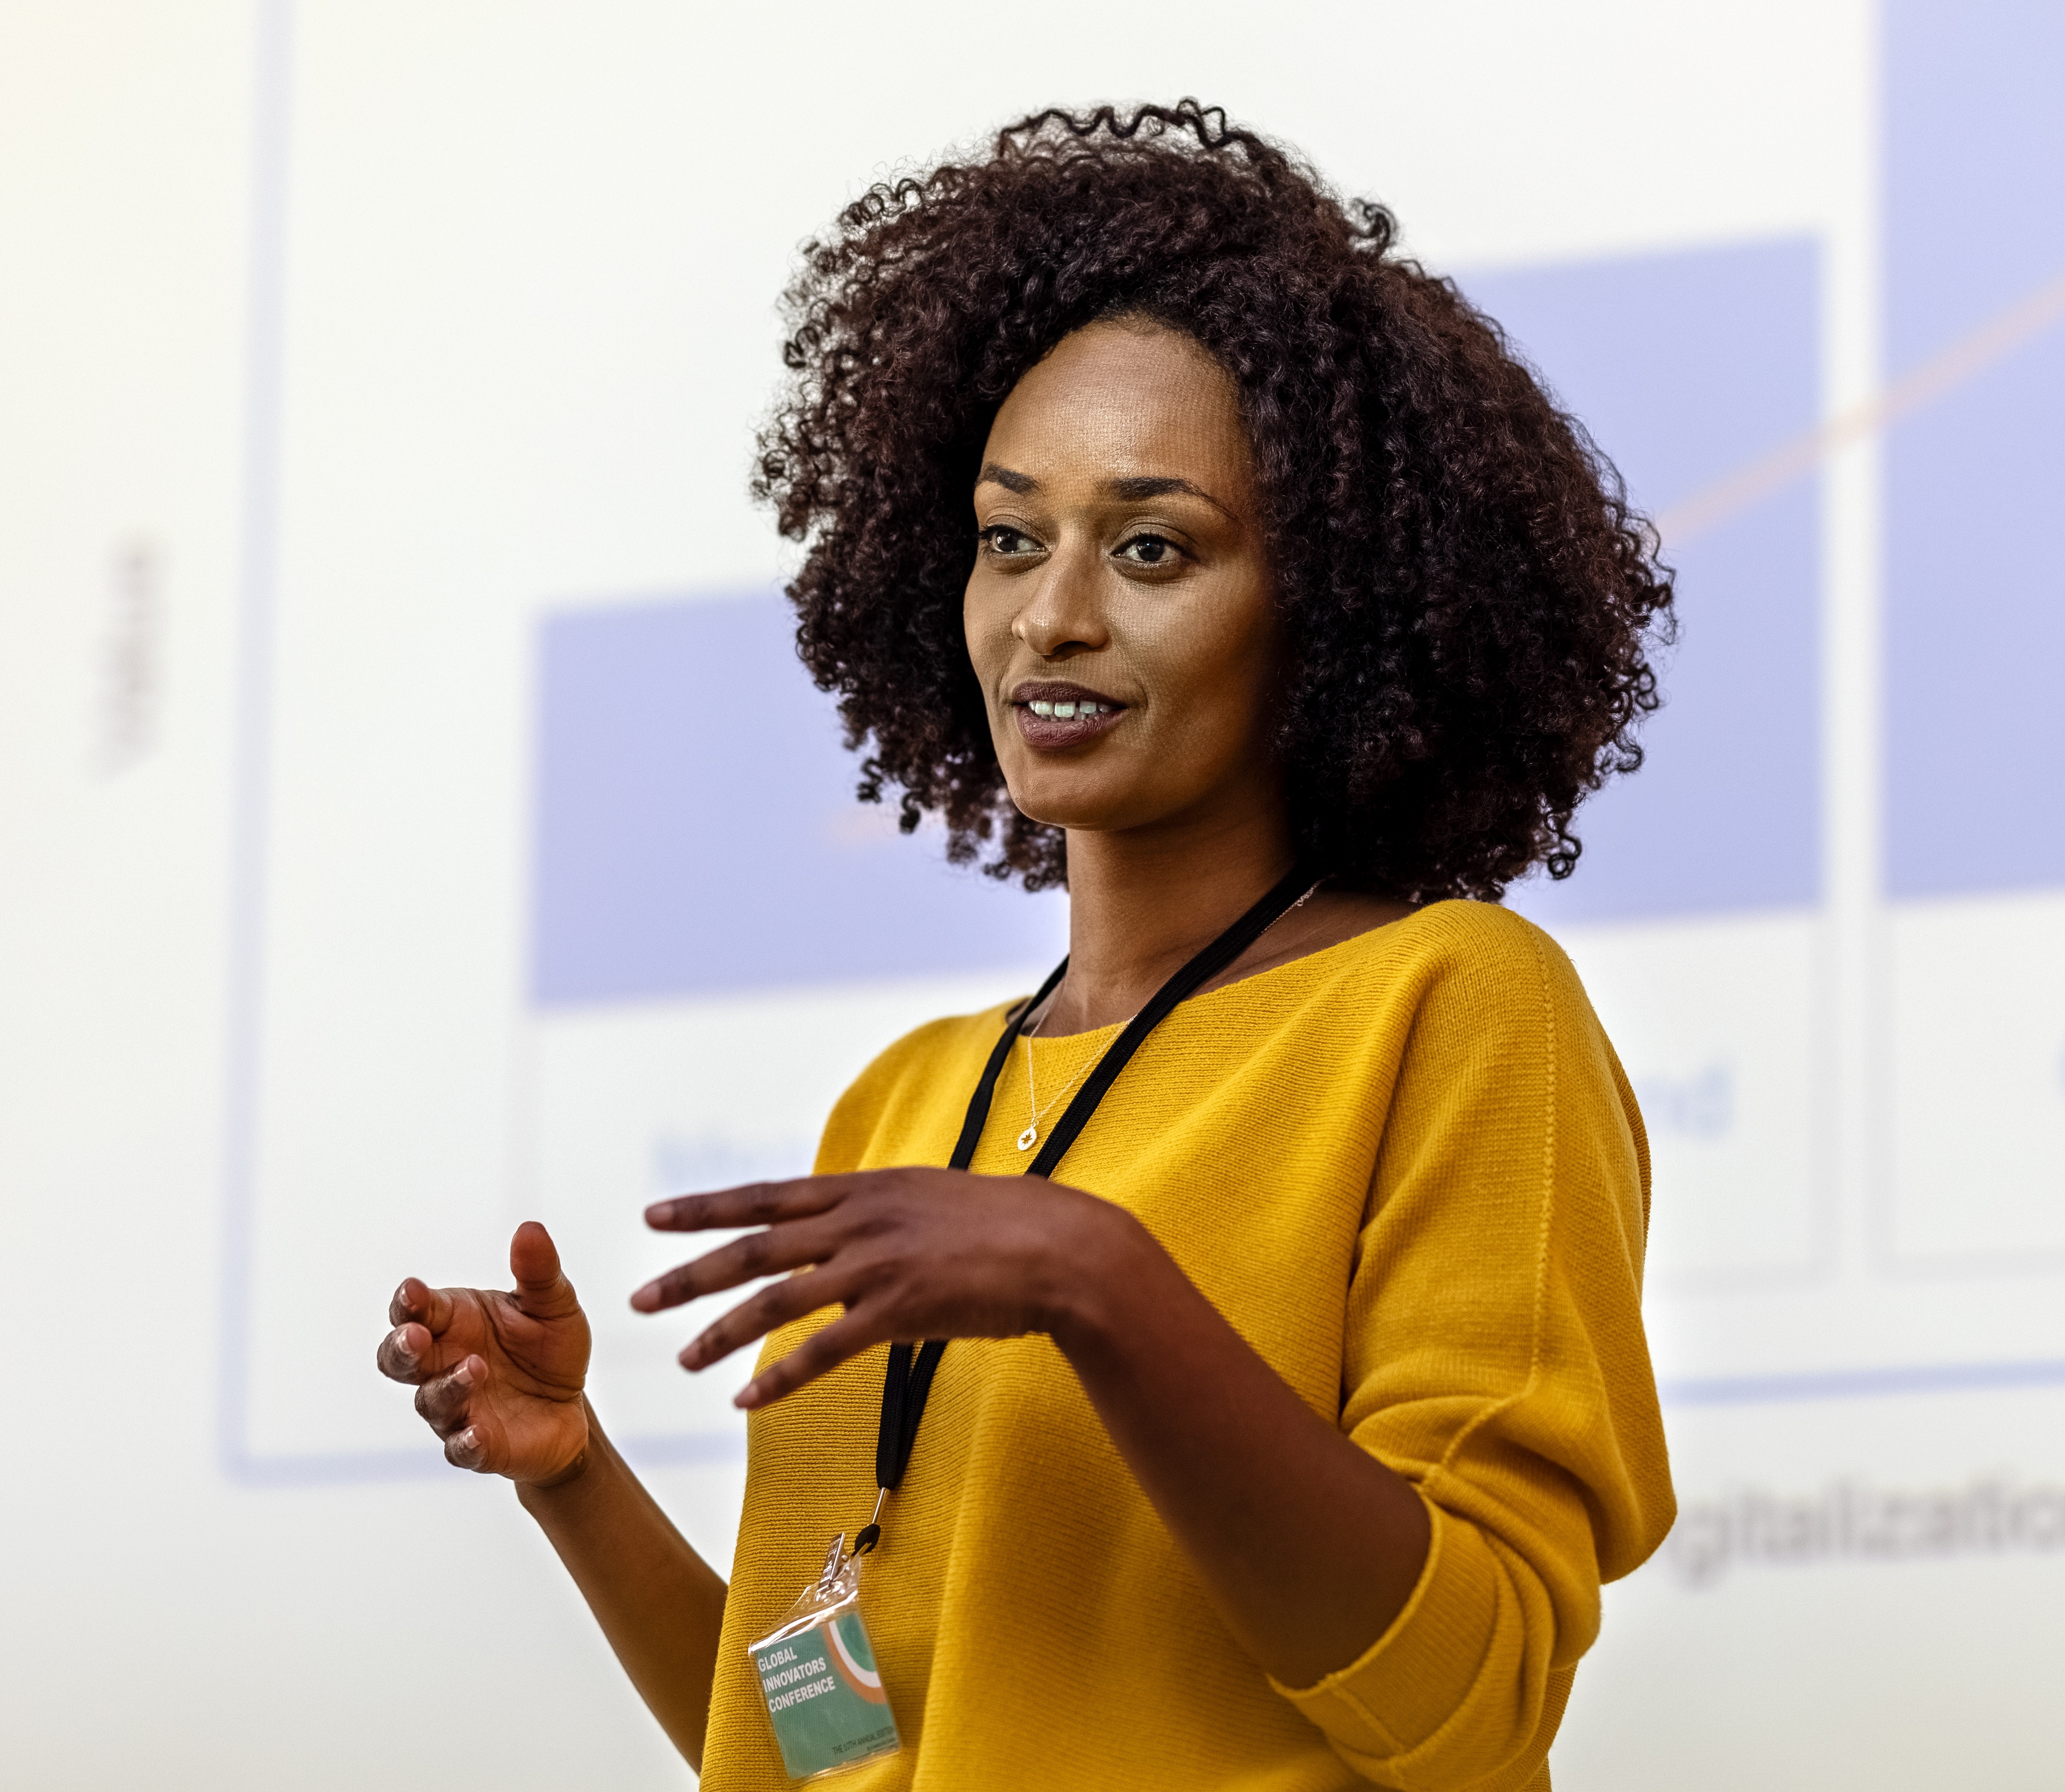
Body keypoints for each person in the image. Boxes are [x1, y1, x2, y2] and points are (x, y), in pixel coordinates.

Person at [375, 101, 1678, 1792]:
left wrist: (1095, 1278)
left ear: (1337, 606)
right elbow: (831, 1750)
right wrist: (573, 1470)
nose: (1051, 614)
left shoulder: (1455, 1008)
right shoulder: (907, 1103)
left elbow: (1470, 1701)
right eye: (1009, 538)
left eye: (1152, 546)